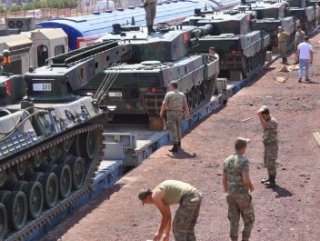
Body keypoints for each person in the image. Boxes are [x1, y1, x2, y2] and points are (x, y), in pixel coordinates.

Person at [138, 180, 202, 241]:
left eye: (145, 202)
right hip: (196, 195)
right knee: (188, 228)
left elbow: (165, 216)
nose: (147, 204)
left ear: (147, 197)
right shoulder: (161, 195)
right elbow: (168, 216)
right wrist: (166, 234)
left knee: (178, 228)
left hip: (189, 198)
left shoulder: (155, 196)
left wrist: (159, 233)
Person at [223, 137, 255, 241]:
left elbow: (224, 179)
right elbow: (245, 179)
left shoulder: (226, 161)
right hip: (242, 195)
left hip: (230, 195)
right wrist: (251, 186)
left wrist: (227, 192)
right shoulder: (244, 161)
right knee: (249, 220)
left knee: (233, 221)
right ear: (243, 148)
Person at [160, 81, 190, 153]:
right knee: (178, 127)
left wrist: (161, 112)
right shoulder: (181, 94)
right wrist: (187, 113)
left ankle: (175, 146)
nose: (168, 86)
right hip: (179, 113)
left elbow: (164, 104)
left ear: (172, 86)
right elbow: (185, 105)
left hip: (171, 113)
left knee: (172, 129)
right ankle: (179, 143)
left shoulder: (169, 94)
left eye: (169, 85)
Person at [257, 105, 278, 188]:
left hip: (272, 145)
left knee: (271, 162)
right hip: (267, 145)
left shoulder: (273, 121)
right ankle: (270, 178)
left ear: (266, 114)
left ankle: (272, 181)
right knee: (267, 162)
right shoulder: (267, 120)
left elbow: (264, 126)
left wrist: (259, 116)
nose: (262, 118)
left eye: (263, 116)